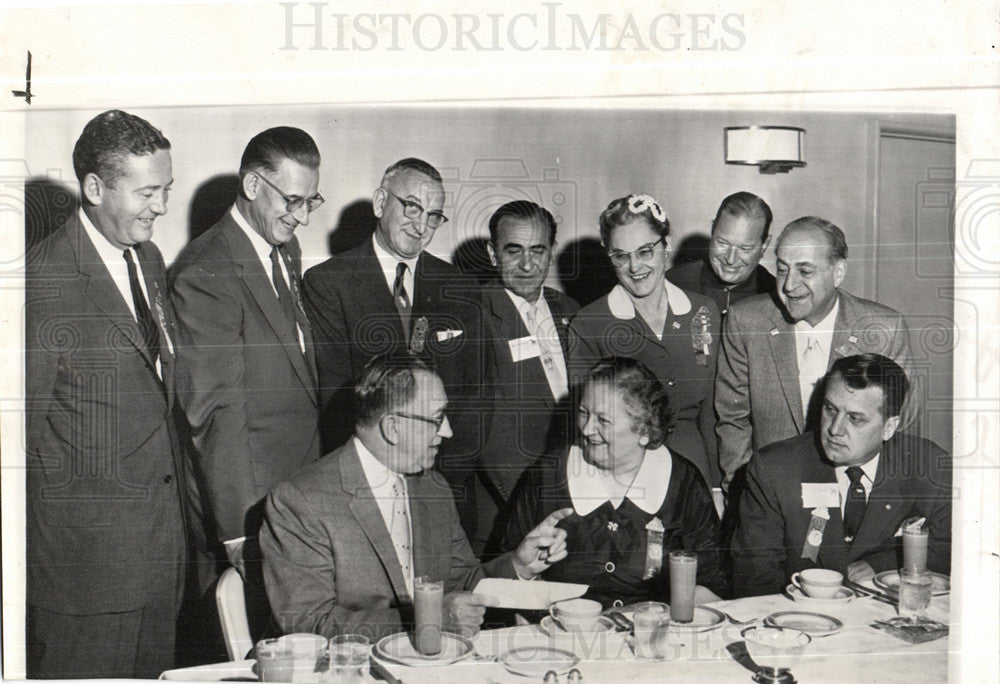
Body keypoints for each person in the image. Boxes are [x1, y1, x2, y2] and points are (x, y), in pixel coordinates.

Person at [24, 110, 187, 677]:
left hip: (159, 555)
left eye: (166, 189)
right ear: (94, 188)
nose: (161, 207)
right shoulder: (42, 284)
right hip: (85, 575)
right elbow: (15, 443)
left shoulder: (149, 258)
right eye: (146, 192)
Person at [259, 355, 573, 639]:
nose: (447, 431)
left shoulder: (432, 487)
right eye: (437, 418)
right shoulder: (301, 501)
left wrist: (519, 565)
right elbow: (306, 625)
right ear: (393, 428)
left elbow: (462, 583)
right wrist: (425, 621)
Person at [169, 127, 324, 638]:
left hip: (295, 492)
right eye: (293, 200)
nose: (301, 217)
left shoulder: (286, 248)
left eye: (310, 201)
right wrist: (237, 529)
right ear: (254, 185)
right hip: (251, 505)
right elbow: (214, 413)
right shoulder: (206, 271)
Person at [302, 157, 490, 522]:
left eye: (433, 215)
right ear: (379, 202)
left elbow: (476, 395)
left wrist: (438, 481)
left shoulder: (461, 287)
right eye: (412, 207)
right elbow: (337, 399)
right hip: (365, 493)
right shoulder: (329, 283)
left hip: (444, 489)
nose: (421, 226)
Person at [503, 357, 728, 608]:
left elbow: (710, 584)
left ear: (644, 431)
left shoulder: (683, 481)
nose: (587, 429)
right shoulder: (548, 475)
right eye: (583, 413)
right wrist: (524, 572)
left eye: (603, 420)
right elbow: (505, 580)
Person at [715, 216, 919, 487]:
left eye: (805, 271)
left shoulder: (883, 328)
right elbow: (732, 419)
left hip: (853, 488)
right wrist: (745, 489)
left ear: (838, 272)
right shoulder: (746, 321)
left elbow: (900, 421)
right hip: (772, 488)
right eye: (783, 269)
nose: (789, 285)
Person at [731, 354, 950, 597]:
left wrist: (879, 566)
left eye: (855, 418)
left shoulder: (927, 465)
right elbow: (754, 578)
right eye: (830, 409)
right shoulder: (775, 468)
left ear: (889, 427)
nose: (834, 429)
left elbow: (951, 552)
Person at [567, 194, 722, 488]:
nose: (635, 267)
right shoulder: (590, 323)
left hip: (695, 468)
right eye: (621, 256)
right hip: (623, 473)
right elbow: (587, 426)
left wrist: (715, 485)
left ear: (667, 245)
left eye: (645, 251)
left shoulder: (703, 310)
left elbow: (712, 413)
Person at [473, 200, 580, 556]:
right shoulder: (473, 314)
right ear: (492, 253)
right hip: (508, 505)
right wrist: (534, 499)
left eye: (538, 250)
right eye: (513, 251)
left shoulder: (570, 311)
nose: (528, 264)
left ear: (551, 252)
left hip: (576, 491)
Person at [666, 191, 776, 317]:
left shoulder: (777, 296)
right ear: (713, 231)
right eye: (723, 243)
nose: (730, 259)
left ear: (764, 246)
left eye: (745, 248)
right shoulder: (673, 283)